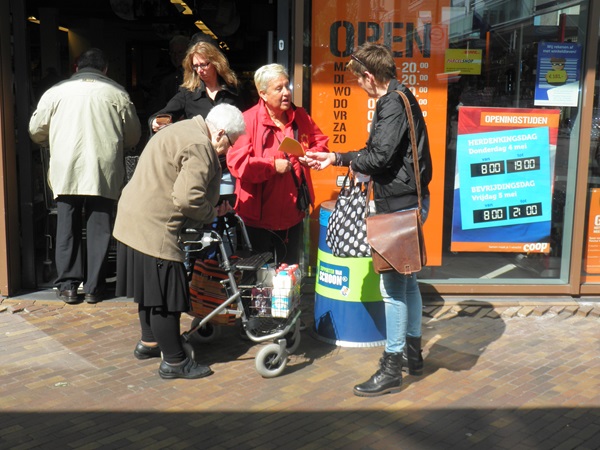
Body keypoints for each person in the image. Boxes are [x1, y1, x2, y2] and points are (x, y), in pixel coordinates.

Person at [304, 43, 432, 397]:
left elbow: (377, 158)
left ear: (368, 76)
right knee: (408, 282)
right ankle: (413, 353)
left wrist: (339, 159)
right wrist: (336, 157)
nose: (358, 86)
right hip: (410, 202)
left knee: (393, 289)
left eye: (358, 80)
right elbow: (383, 154)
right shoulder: (401, 96)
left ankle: (392, 367)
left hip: (398, 207)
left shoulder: (391, 103)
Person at [112, 103, 246, 380]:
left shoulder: (181, 128)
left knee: (150, 291)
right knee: (166, 299)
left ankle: (150, 342)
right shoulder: (200, 146)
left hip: (132, 220)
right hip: (155, 228)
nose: (227, 151)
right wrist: (210, 214)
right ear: (220, 133)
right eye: (230, 143)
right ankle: (174, 361)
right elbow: (187, 198)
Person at [29, 48, 142, 304]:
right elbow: (133, 136)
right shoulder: (118, 94)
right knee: (100, 228)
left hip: (66, 168)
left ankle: (68, 285)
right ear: (105, 70)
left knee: (67, 226)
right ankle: (94, 287)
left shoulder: (55, 93)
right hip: (103, 170)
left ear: (76, 68)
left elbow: (35, 131)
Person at [226, 63, 329, 265]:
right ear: (262, 94)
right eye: (278, 88)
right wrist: (273, 166)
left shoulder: (299, 116)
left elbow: (321, 142)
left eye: (287, 86)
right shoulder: (247, 120)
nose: (286, 93)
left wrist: (310, 156)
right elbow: (239, 164)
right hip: (258, 219)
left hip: (293, 216)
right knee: (259, 279)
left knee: (288, 275)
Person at [148, 41, 242, 133]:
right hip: (200, 147)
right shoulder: (188, 93)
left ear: (216, 63)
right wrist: (157, 122)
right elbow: (163, 115)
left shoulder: (234, 90)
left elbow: (249, 119)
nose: (199, 70)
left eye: (203, 65)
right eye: (195, 66)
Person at [147, 34, 190, 114]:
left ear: (188, 53)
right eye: (173, 52)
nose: (176, 56)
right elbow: (157, 105)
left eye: (180, 52)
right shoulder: (163, 77)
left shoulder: (197, 74)